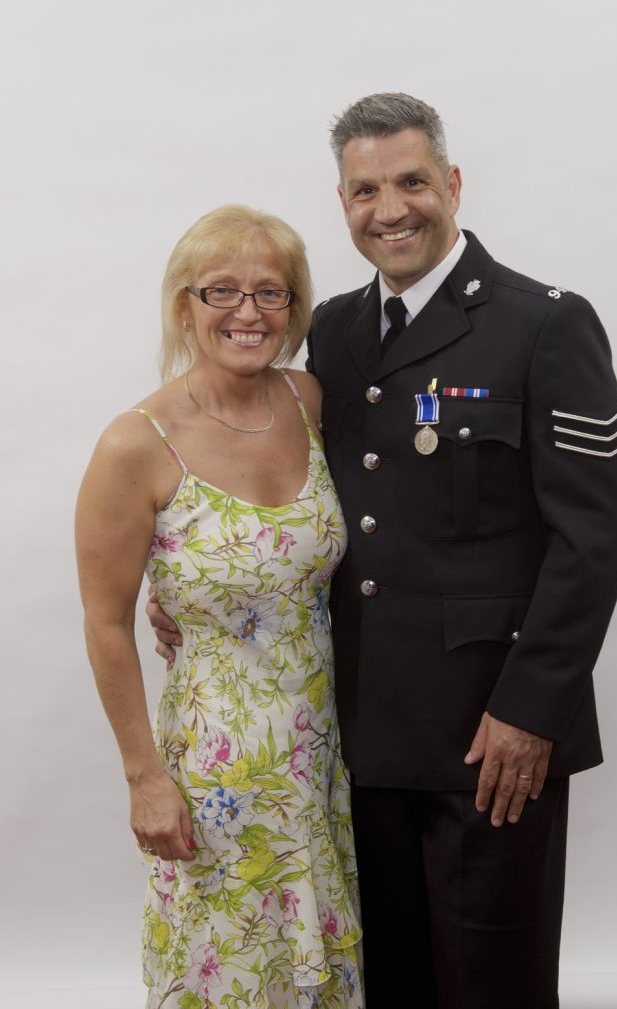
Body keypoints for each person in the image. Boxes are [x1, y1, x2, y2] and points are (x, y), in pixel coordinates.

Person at [150, 94, 617, 1009]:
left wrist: (532, 710)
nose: (391, 208)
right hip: (358, 726)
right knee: (390, 979)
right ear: (343, 204)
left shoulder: (543, 324)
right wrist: (200, 582)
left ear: (450, 184)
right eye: (365, 189)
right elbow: (288, 478)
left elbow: (596, 536)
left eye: (411, 181)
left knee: (493, 980)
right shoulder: (332, 329)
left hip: (490, 734)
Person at [76, 205, 363, 1009]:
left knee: (319, 966)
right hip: (214, 772)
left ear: (295, 309)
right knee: (228, 969)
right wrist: (144, 778)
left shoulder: (310, 402)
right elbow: (104, 623)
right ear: (184, 306)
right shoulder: (136, 444)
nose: (248, 313)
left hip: (322, 757)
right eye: (222, 292)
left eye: (271, 293)